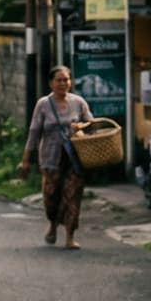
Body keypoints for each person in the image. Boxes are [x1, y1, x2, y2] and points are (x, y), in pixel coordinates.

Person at [19, 64, 91, 249]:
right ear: (51, 83)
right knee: (51, 197)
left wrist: (80, 127)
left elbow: (91, 124)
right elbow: (34, 133)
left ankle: (69, 236)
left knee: (72, 197)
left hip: (74, 158)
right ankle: (52, 224)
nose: (62, 83)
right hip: (50, 159)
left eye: (66, 80)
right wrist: (26, 160)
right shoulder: (43, 104)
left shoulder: (79, 102)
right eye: (58, 80)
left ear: (71, 82)